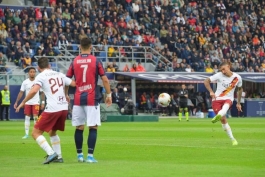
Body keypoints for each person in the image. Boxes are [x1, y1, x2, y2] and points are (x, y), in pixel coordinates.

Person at [16, 57, 76, 164]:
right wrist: (66, 94)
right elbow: (71, 83)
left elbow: (34, 90)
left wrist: (23, 102)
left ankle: (51, 153)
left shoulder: (41, 76)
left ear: (38, 68)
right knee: (52, 132)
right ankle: (59, 157)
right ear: (49, 66)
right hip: (64, 108)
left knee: (35, 133)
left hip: (53, 108)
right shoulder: (59, 74)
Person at [66, 37, 112, 163]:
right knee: (93, 127)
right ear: (91, 47)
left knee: (79, 127)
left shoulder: (74, 61)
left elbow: (67, 80)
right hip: (92, 99)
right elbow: (105, 79)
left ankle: (80, 155)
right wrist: (109, 95)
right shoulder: (96, 61)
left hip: (78, 99)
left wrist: (66, 94)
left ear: (80, 47)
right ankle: (90, 156)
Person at [204, 62, 243, 146]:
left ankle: (220, 114)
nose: (223, 71)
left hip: (228, 98)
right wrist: (211, 91)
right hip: (216, 99)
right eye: (221, 70)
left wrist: (239, 103)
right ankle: (232, 139)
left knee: (227, 104)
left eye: (223, 69)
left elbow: (240, 89)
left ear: (228, 67)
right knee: (223, 120)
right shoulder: (219, 75)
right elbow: (206, 81)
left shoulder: (237, 77)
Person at [14, 67, 45, 139]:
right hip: (27, 102)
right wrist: (17, 102)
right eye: (31, 72)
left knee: (35, 117)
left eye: (34, 72)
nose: (32, 73)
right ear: (28, 73)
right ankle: (26, 134)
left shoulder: (38, 82)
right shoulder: (25, 82)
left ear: (35, 73)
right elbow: (21, 92)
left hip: (36, 102)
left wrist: (43, 102)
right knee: (27, 117)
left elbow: (42, 93)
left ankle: (36, 133)